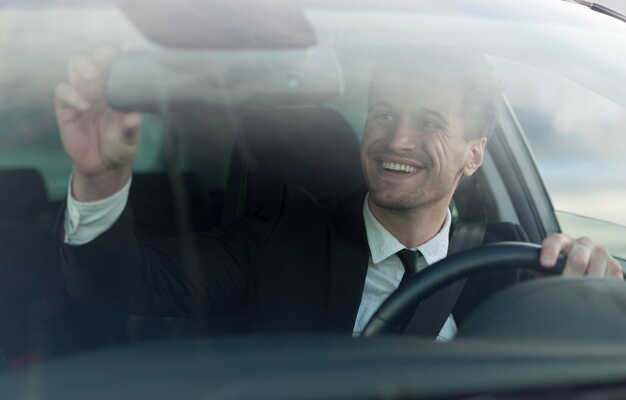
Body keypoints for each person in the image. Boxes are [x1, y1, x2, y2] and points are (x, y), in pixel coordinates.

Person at [54, 47, 623, 340]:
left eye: (429, 123)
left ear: (475, 154)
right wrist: (102, 178)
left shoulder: (521, 267)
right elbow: (112, 281)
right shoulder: (281, 234)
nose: (397, 139)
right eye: (383, 114)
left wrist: (598, 294)